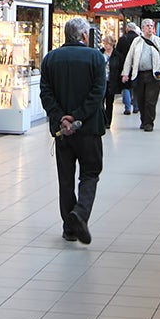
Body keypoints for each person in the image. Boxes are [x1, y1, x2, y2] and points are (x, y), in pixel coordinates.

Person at [39, 16, 107, 245]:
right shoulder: (96, 58)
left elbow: (45, 93)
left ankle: (69, 228)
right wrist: (77, 116)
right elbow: (98, 93)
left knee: (65, 178)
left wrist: (61, 118)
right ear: (85, 35)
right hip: (88, 129)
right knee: (90, 173)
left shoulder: (51, 58)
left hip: (62, 132)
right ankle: (80, 213)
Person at [123, 19, 160, 130]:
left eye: (151, 26)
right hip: (139, 75)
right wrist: (125, 73)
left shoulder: (158, 41)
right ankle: (143, 120)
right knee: (141, 99)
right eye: (147, 26)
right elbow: (129, 58)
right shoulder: (136, 41)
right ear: (142, 28)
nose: (150, 28)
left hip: (153, 75)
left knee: (150, 100)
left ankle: (149, 123)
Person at [108, 20, 139, 119]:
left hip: (124, 66)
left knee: (125, 86)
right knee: (135, 86)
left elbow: (117, 53)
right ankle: (136, 106)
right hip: (136, 66)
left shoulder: (123, 39)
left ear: (127, 29)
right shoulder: (138, 39)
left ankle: (127, 107)